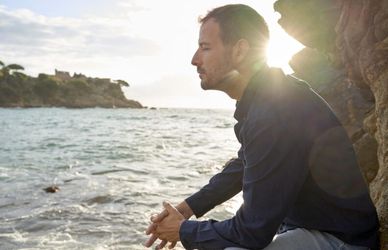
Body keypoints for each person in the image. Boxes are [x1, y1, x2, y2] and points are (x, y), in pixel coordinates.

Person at [144, 4, 380, 250]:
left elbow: (251, 232)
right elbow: (245, 164)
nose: (194, 59)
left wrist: (183, 230)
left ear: (240, 51)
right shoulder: (268, 99)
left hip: (342, 240)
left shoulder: (275, 111)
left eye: (205, 48)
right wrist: (187, 208)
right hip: (309, 227)